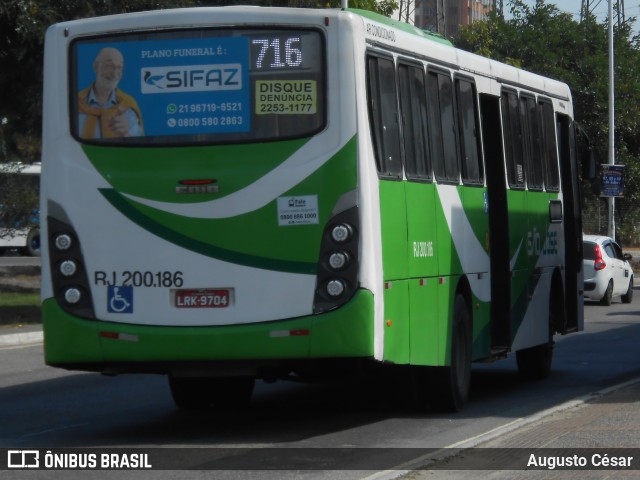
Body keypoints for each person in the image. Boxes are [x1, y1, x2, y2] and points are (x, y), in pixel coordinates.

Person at [78, 47, 144, 139]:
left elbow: (139, 148)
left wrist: (125, 134)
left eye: (119, 67)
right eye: (109, 66)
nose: (114, 73)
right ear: (95, 66)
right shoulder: (76, 103)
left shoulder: (128, 107)